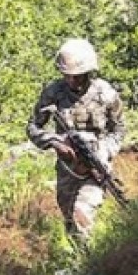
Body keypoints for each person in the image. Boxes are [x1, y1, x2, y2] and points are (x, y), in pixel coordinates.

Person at [26, 38, 125, 240]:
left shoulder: (105, 94)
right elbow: (33, 126)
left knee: (82, 215)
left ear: (89, 71)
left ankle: (93, 264)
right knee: (69, 219)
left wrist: (105, 151)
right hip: (67, 168)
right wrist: (53, 142)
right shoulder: (53, 93)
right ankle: (81, 263)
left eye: (78, 76)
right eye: (67, 76)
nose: (72, 81)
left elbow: (119, 129)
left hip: (95, 167)